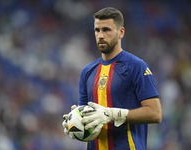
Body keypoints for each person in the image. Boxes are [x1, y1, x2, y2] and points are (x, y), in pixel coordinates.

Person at [62, 7, 162, 150]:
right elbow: (85, 115)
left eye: (106, 30)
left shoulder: (136, 66)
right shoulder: (87, 71)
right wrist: (73, 122)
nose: (101, 35)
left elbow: (155, 113)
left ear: (121, 32)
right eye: (97, 30)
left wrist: (113, 114)